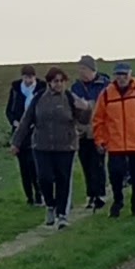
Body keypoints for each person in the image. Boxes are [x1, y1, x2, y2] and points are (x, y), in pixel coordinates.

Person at [90, 60, 135, 215]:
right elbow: (98, 120)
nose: (121, 78)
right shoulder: (106, 94)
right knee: (115, 175)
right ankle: (118, 200)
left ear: (130, 75)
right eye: (118, 74)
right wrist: (100, 140)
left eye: (124, 74)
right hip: (115, 144)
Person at [23, 67, 81, 224]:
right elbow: (27, 120)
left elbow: (82, 119)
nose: (59, 84)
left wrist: (85, 108)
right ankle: (50, 205)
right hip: (42, 146)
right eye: (56, 81)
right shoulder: (39, 98)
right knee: (44, 178)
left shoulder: (70, 98)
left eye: (62, 81)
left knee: (63, 179)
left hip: (65, 147)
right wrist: (16, 142)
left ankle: (62, 215)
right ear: (49, 82)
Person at [70, 55, 111, 214]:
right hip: (82, 133)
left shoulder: (104, 85)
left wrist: (88, 105)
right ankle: (91, 195)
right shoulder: (76, 87)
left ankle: (100, 194)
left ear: (93, 70)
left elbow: (105, 107)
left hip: (98, 131)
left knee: (97, 164)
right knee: (86, 164)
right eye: (79, 69)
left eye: (84, 69)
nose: (81, 72)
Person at [2, 67, 45, 207]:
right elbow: (9, 110)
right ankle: (29, 197)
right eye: (26, 77)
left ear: (34, 77)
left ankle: (39, 194)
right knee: (23, 167)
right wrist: (14, 122)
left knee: (34, 164)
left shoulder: (41, 89)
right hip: (19, 132)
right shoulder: (16, 90)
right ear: (22, 77)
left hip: (35, 131)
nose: (28, 80)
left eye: (31, 77)